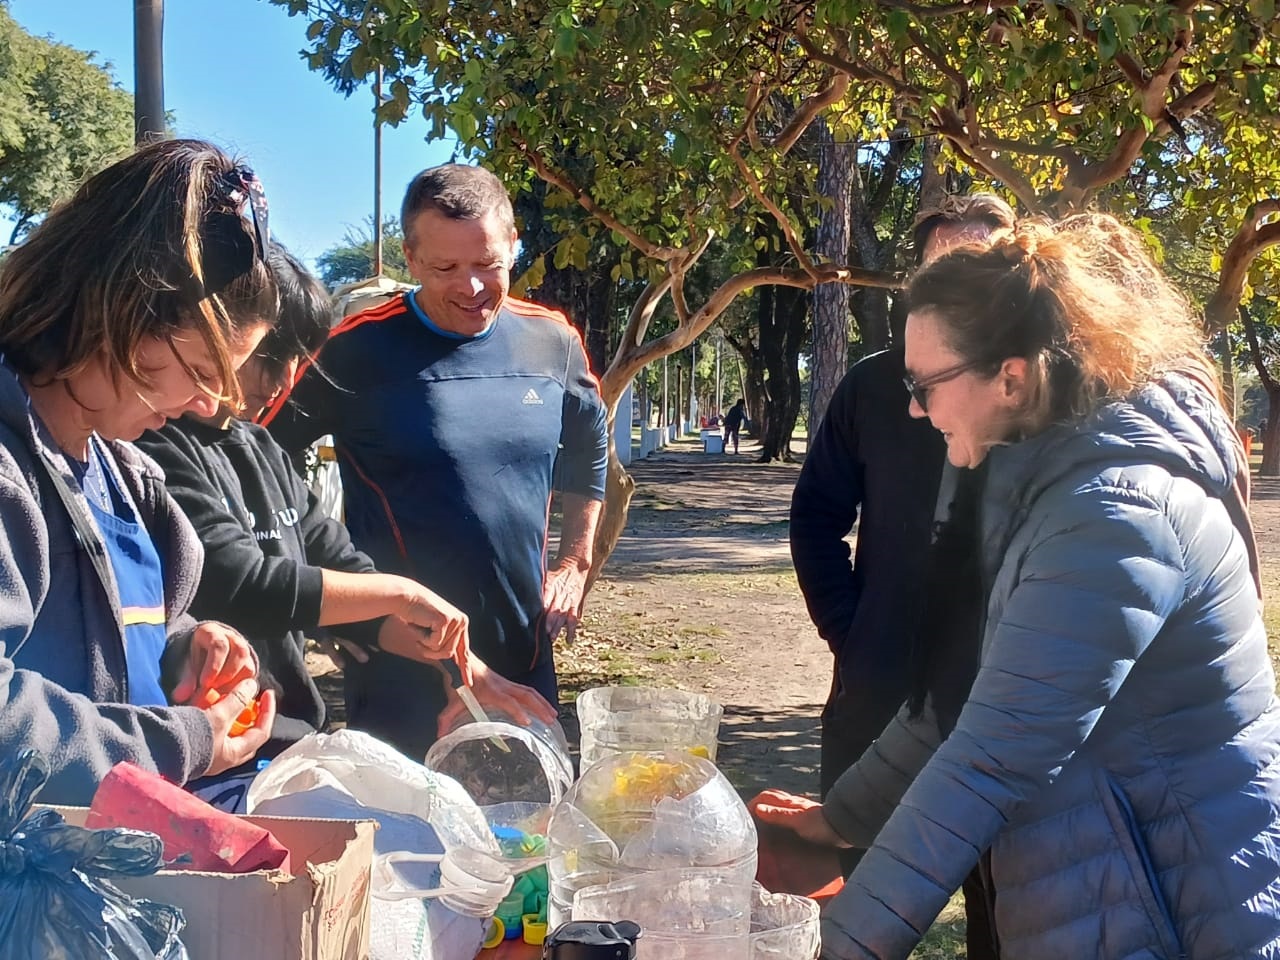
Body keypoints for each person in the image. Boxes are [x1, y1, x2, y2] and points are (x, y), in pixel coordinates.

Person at [762, 216, 1280, 959]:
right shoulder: (1019, 476)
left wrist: (833, 950)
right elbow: (955, 698)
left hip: (1183, 912)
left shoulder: (1119, 514)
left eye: (924, 384)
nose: (913, 407)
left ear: (1013, 377)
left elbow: (987, 762)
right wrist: (835, 822)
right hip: (1100, 900)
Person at [138, 245, 560, 792]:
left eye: (300, 360)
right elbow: (237, 579)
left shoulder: (260, 448)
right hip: (206, 757)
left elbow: (340, 562)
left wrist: (464, 671)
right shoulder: (159, 446)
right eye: (273, 354)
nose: (286, 378)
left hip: (291, 745)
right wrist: (397, 595)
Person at [261, 164, 608, 759]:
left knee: (525, 834)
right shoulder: (355, 350)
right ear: (411, 258)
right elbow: (255, 459)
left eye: (488, 264)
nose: (471, 287)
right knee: (408, 842)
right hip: (400, 663)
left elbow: (588, 443)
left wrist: (575, 561)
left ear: (513, 245)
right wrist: (328, 603)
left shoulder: (552, 341)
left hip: (520, 649)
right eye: (446, 268)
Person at [0, 138, 280, 804]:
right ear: (121, 311)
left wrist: (191, 648)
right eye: (203, 371)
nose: (210, 405)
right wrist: (183, 742)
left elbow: (124, 638)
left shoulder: (123, 477)